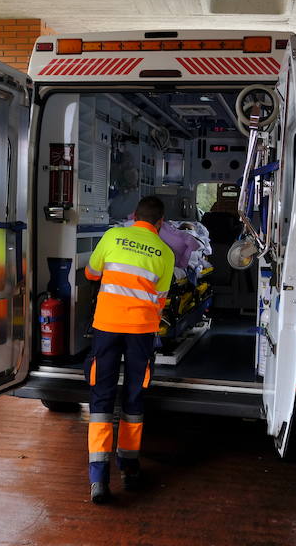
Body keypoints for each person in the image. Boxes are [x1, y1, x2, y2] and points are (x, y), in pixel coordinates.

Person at [83, 196, 175, 504]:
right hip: (141, 332)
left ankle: (98, 478)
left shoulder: (111, 236)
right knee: (134, 397)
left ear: (134, 216)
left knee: (101, 396)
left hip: (106, 328)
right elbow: (160, 300)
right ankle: (129, 466)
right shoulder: (165, 252)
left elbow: (91, 274)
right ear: (160, 224)